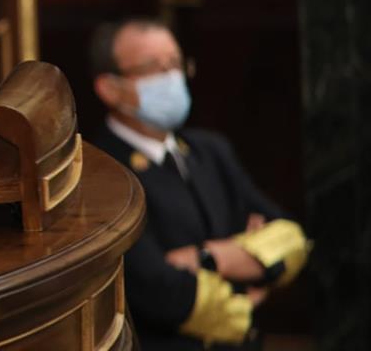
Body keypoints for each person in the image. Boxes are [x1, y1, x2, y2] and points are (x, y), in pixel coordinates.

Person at [89, 18, 309, 350]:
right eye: (152, 67)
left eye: (176, 64)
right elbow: (160, 291)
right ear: (110, 87)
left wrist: (207, 258)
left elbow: (292, 238)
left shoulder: (210, 150)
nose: (171, 77)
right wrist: (246, 278)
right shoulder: (100, 170)